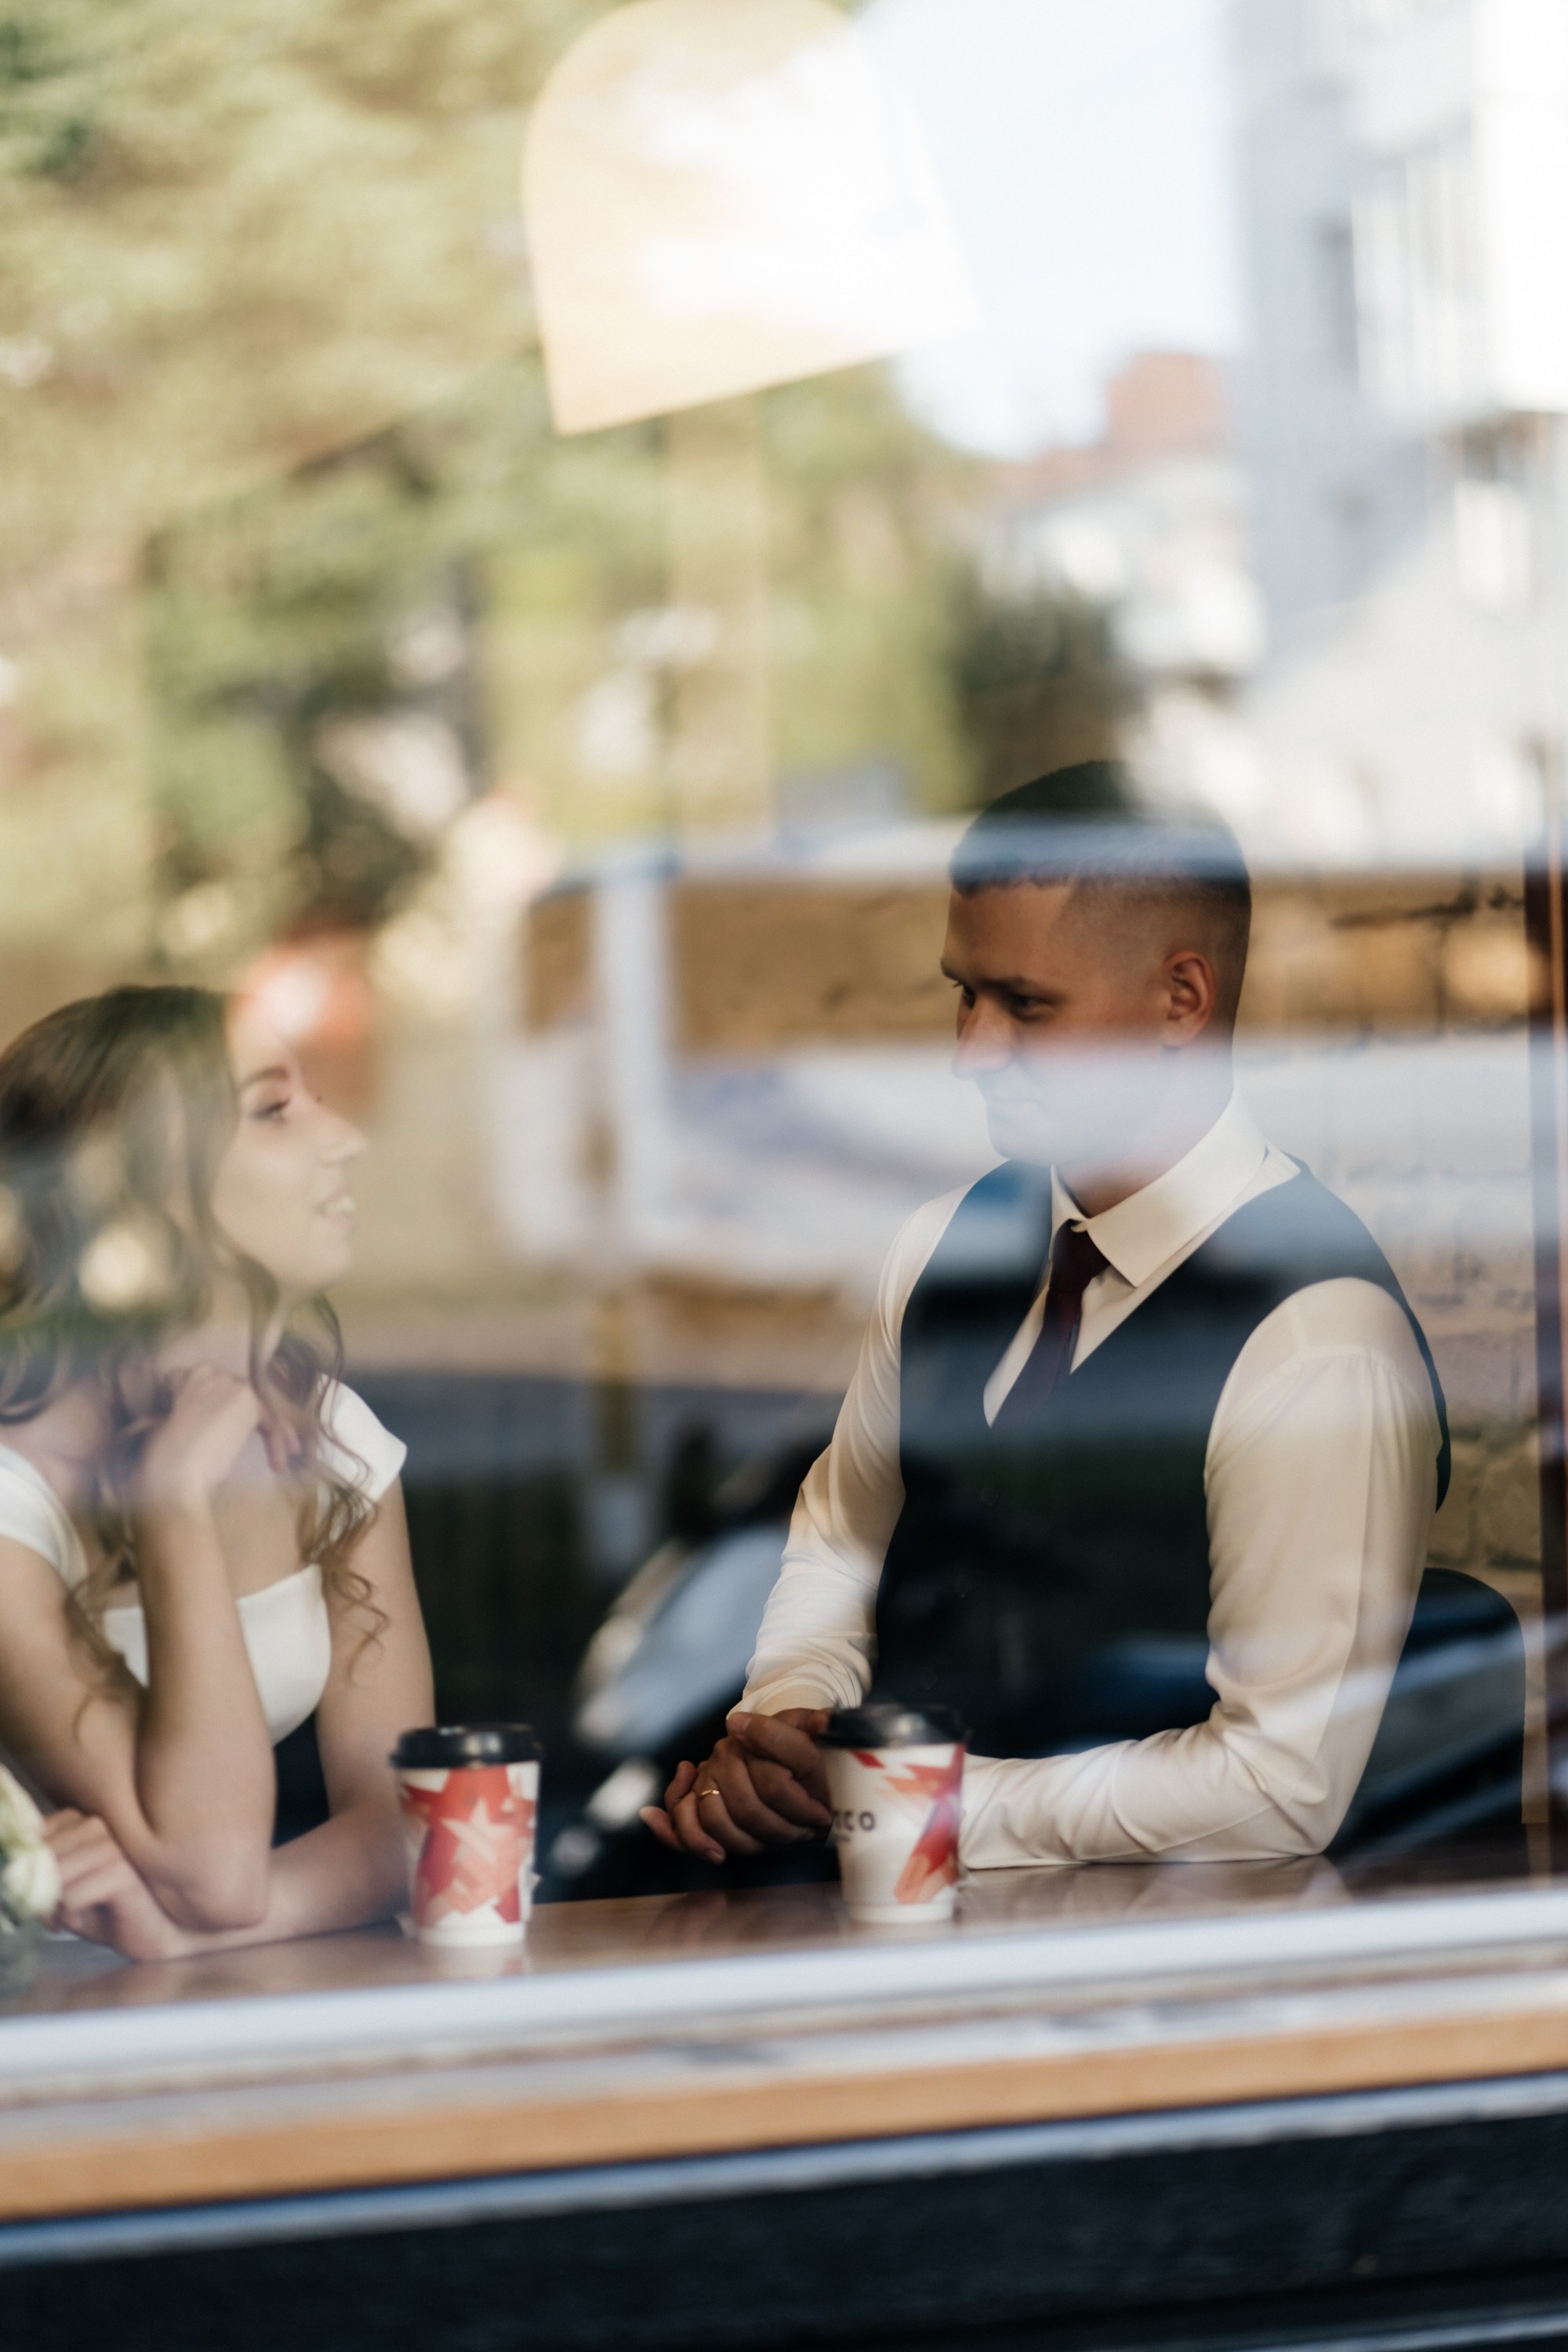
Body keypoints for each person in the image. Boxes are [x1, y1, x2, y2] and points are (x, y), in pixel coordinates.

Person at [644, 764, 1455, 1871]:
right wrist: (786, 1725)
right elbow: (842, 1537)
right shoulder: (942, 1248)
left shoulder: (1316, 1335)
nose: (971, 1051)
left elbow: (1277, 1789)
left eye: (1026, 1006)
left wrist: (894, 1799)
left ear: (1182, 999)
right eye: (963, 994)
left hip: (1165, 1989)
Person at [0, 984, 434, 1958]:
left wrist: (197, 1938)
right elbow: (211, 1868)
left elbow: (409, 1822)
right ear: (135, 1188)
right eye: (274, 1110)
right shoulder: (10, 1502)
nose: (345, 1138)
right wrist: (175, 1504)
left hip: (205, 1987)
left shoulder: (333, 1441)